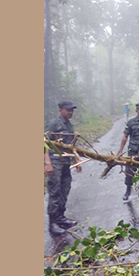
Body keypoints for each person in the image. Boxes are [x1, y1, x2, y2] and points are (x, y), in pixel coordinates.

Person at [45, 100, 83, 235]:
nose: (70, 112)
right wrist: (47, 162)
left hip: (65, 161)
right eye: (68, 110)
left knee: (65, 188)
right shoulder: (54, 124)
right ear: (60, 110)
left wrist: (75, 159)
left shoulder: (69, 125)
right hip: (54, 160)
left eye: (72, 110)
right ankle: (52, 223)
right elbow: (44, 142)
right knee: (54, 191)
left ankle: (61, 217)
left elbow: (70, 145)